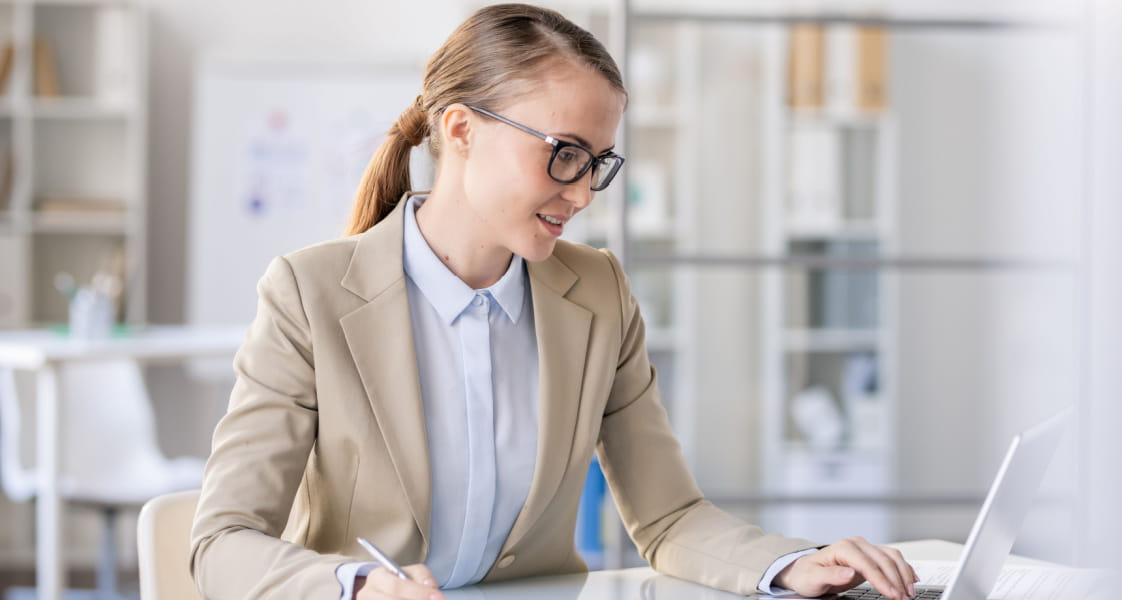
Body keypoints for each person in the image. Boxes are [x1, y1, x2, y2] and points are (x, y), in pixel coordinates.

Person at [189, 4, 918, 600]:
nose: (580, 193)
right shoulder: (309, 295)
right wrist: (356, 586)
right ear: (462, 130)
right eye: (563, 153)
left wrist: (791, 563)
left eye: (597, 164)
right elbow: (221, 541)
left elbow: (669, 517)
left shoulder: (598, 293)